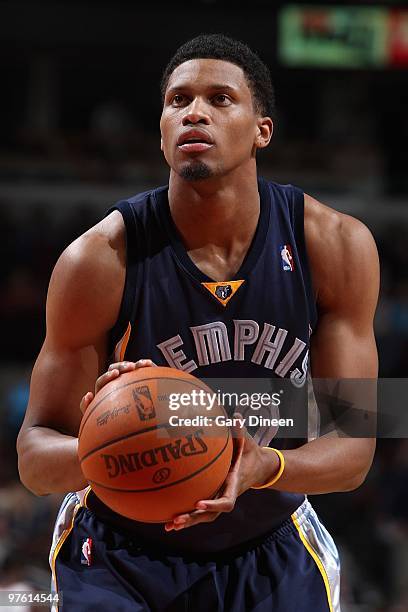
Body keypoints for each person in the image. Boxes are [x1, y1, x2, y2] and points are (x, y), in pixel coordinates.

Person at [17, 34, 379, 611]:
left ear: (262, 129)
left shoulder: (335, 245)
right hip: (121, 556)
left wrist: (267, 464)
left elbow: (355, 451)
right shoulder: (99, 261)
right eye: (178, 100)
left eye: (219, 99)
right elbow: (34, 460)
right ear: (162, 130)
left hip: (271, 543)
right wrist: (103, 439)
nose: (194, 112)